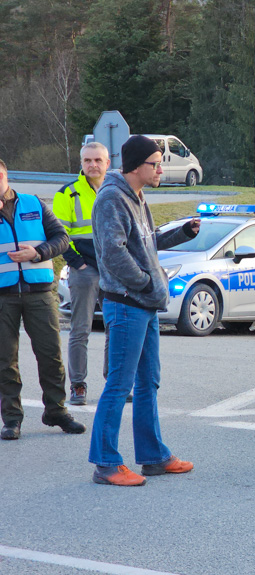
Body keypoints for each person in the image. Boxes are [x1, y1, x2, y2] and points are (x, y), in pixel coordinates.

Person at [89, 135, 199, 485]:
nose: (161, 169)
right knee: (119, 385)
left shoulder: (137, 196)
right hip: (127, 305)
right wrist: (146, 283)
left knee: (148, 382)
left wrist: (182, 233)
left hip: (145, 305)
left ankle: (153, 456)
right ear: (136, 166)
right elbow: (113, 253)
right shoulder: (111, 198)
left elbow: (145, 242)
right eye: (155, 163)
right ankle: (106, 462)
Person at [0, 160, 85, 441]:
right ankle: (12, 419)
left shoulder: (33, 203)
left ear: (6, 176)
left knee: (50, 355)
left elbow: (62, 237)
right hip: (3, 296)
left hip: (39, 292)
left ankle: (56, 411)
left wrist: (37, 253)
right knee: (4, 360)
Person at [53, 142, 110, 406]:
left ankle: (115, 383)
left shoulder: (115, 191)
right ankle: (78, 386)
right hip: (84, 270)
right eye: (87, 160)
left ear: (107, 163)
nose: (92, 165)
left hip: (113, 271)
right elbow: (59, 235)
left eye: (98, 160)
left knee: (116, 328)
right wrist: (78, 263)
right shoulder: (67, 193)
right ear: (81, 163)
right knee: (80, 331)